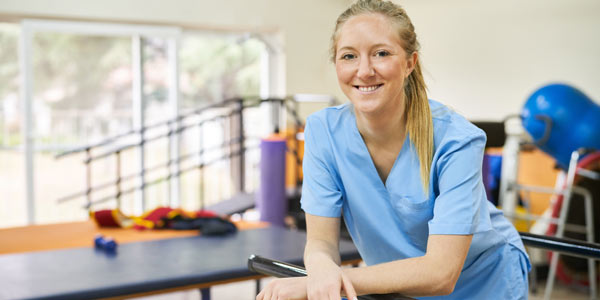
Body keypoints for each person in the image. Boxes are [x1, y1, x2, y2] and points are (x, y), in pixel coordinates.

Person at [256, 0, 531, 299]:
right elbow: (321, 243)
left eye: (381, 53)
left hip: (484, 281)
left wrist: (338, 280)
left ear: (410, 63)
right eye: (349, 56)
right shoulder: (323, 132)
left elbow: (441, 274)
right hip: (399, 285)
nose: (364, 70)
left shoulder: (456, 140)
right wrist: (321, 271)